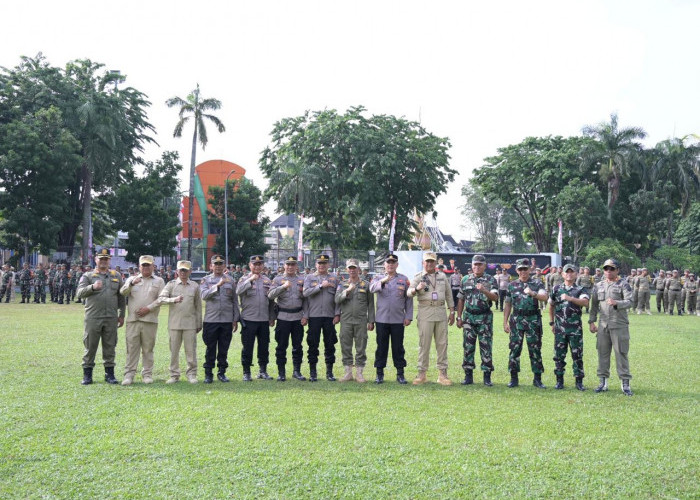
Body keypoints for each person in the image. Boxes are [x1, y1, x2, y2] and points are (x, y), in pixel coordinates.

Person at [75, 249, 126, 385]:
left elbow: (121, 297)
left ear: (109, 260)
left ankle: (109, 374)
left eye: (106, 259)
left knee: (110, 346)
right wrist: (92, 287)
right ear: (96, 259)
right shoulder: (88, 275)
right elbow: (79, 293)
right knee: (90, 345)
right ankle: (87, 375)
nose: (103, 261)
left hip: (111, 317)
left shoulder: (116, 275)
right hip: (93, 317)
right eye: (101, 258)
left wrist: (122, 315)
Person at [407, 251, 455, 386]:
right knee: (424, 344)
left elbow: (448, 294)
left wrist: (452, 311)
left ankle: (442, 374)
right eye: (427, 261)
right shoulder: (418, 277)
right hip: (425, 312)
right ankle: (422, 374)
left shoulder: (442, 276)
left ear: (435, 263)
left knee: (442, 344)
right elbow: (408, 293)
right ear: (423, 263)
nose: (429, 263)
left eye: (432, 261)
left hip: (440, 312)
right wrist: (417, 288)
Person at [588, 258, 634, 396]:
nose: (608, 271)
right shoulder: (598, 285)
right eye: (606, 268)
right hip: (603, 325)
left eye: (611, 269)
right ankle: (603, 382)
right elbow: (594, 305)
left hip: (619, 324)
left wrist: (617, 303)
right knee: (602, 353)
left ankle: (625, 383)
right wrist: (591, 321)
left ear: (617, 270)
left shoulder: (623, 285)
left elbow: (630, 301)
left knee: (621, 353)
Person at [119, 255, 165, 385]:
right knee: (132, 348)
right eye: (143, 265)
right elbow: (122, 292)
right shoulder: (132, 279)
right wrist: (131, 283)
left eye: (148, 265)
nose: (146, 267)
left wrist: (148, 309)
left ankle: (147, 374)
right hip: (133, 320)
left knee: (148, 349)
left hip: (150, 320)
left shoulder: (159, 281)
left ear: (153, 266)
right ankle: (129, 375)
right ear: (139, 267)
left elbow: (161, 299)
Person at [503, 258, 548, 389]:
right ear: (517, 270)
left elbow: (544, 297)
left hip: (533, 319)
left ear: (530, 269)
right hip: (517, 320)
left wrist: (533, 293)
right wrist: (505, 322)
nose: (523, 271)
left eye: (525, 269)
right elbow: (507, 304)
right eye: (520, 269)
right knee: (515, 349)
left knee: (535, 349)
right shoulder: (512, 285)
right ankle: (513, 378)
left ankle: (537, 379)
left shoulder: (537, 283)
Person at [456, 254, 499, 386]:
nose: (477, 267)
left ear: (484, 266)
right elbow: (461, 299)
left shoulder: (491, 280)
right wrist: (459, 317)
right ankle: (468, 375)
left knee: (486, 346)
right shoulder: (465, 280)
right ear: (472, 265)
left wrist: (485, 290)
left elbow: (495, 298)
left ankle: (487, 376)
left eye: (480, 264)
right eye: (475, 264)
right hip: (468, 317)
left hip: (484, 317)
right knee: (468, 347)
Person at [369, 253, 412, 384]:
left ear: (397, 265)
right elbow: (371, 289)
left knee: (398, 347)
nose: (390, 265)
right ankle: (379, 374)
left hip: (398, 319)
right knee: (381, 347)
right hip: (381, 319)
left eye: (393, 262)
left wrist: (408, 316)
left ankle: (400, 374)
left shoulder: (404, 279)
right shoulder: (377, 278)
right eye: (388, 262)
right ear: (384, 265)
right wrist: (383, 281)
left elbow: (408, 299)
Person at [159, 260, 202, 384]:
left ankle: (192, 374)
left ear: (190, 271)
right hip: (175, 324)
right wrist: (173, 299)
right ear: (177, 271)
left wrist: (199, 323)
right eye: (181, 270)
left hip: (190, 324)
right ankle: (174, 375)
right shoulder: (171, 285)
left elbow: (198, 306)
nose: (183, 272)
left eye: (186, 270)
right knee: (174, 351)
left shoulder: (194, 286)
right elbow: (161, 299)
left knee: (191, 351)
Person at [548, 264, 589, 391]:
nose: (569, 274)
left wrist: (570, 298)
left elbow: (585, 302)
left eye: (572, 272)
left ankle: (579, 381)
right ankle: (559, 380)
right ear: (563, 274)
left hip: (575, 329)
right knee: (559, 355)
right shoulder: (556, 289)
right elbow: (551, 305)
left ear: (576, 274)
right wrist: (552, 323)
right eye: (567, 272)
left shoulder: (580, 289)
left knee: (577, 355)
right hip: (560, 329)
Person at [200, 255, 240, 384]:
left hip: (226, 320)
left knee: (224, 348)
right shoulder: (205, 280)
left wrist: (235, 318)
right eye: (215, 264)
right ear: (211, 266)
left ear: (224, 266)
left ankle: (222, 372)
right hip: (211, 320)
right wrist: (217, 286)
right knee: (210, 347)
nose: (218, 266)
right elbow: (204, 296)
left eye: (220, 264)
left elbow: (234, 300)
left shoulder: (231, 281)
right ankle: (208, 373)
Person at [268, 256, 308, 381]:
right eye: (288, 264)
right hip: (283, 317)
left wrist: (305, 315)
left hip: (297, 317)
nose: (290, 267)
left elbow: (306, 300)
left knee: (298, 346)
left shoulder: (302, 280)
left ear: (297, 266)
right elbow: (270, 295)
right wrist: (283, 287)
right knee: (281, 346)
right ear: (284, 266)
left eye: (293, 264)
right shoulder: (278, 279)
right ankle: (281, 372)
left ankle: (297, 371)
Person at [334, 259, 375, 383]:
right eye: (350, 268)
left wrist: (371, 320)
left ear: (359, 270)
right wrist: (347, 291)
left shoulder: (366, 285)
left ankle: (359, 373)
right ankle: (348, 373)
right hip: (346, 320)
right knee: (345, 346)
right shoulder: (342, 284)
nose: (352, 270)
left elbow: (371, 304)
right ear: (347, 270)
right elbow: (337, 300)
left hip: (361, 320)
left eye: (354, 268)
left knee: (361, 346)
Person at [236, 255, 275, 381]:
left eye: (260, 264)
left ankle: (262, 371)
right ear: (250, 265)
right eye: (255, 264)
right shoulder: (243, 279)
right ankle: (246, 372)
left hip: (263, 319)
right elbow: (238, 291)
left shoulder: (267, 280)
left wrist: (271, 317)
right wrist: (250, 280)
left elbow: (271, 301)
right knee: (248, 347)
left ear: (263, 266)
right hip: (249, 319)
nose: (257, 266)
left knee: (264, 346)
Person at [302, 254, 340, 382]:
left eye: (324, 263)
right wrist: (320, 286)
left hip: (329, 316)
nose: (322, 266)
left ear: (328, 265)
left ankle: (329, 372)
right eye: (319, 263)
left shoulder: (334, 279)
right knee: (313, 344)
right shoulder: (309, 277)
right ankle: (313, 372)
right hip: (314, 316)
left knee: (330, 344)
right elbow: (305, 293)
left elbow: (338, 298)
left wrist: (337, 314)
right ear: (316, 265)